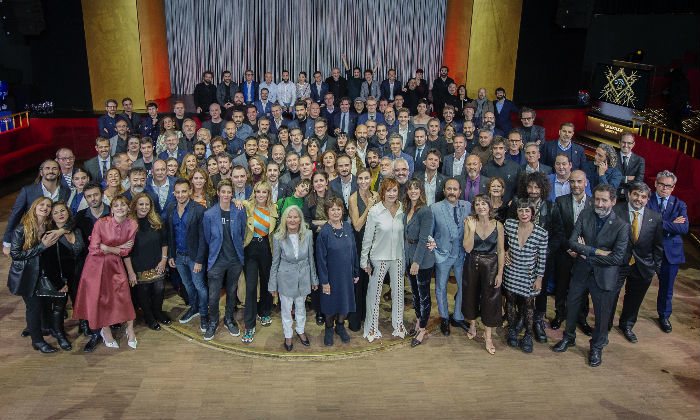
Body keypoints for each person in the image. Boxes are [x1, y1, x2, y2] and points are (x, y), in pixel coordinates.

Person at [552, 184, 629, 367]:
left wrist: (586, 253)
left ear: (613, 201)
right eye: (597, 199)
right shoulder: (585, 215)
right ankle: (568, 337)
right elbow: (572, 242)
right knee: (572, 306)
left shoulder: (622, 226)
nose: (600, 204)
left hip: (604, 277)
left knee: (602, 315)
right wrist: (596, 251)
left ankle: (596, 347)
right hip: (580, 272)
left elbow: (617, 258)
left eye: (604, 200)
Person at [73, 196, 139, 350]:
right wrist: (117, 248)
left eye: (123, 205)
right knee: (101, 299)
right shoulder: (101, 223)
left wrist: (107, 248)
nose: (120, 208)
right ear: (112, 209)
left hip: (115, 264)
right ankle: (105, 330)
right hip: (95, 266)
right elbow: (94, 249)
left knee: (124, 297)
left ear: (128, 208)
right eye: (116, 205)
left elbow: (126, 250)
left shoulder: (133, 225)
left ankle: (130, 329)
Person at [610, 182, 663, 343]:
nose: (639, 199)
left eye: (643, 196)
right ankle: (605, 324)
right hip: (617, 264)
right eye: (636, 195)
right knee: (611, 295)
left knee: (634, 299)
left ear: (647, 199)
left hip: (643, 265)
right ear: (629, 194)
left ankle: (627, 325)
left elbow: (658, 245)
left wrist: (655, 267)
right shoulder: (615, 211)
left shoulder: (655, 217)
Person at [8, 198, 61, 353]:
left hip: (42, 273)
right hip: (26, 276)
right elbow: (16, 254)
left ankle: (43, 328)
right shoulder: (22, 228)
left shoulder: (49, 226)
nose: (45, 207)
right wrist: (42, 247)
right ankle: (37, 341)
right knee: (34, 307)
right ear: (34, 206)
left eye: (48, 206)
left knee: (44, 305)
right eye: (42, 204)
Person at [360, 177, 407, 342]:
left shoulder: (402, 209)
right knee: (374, 293)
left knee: (399, 292)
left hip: (398, 257)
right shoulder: (374, 211)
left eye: (395, 190)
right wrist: (364, 260)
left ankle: (398, 324)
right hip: (379, 257)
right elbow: (367, 238)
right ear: (383, 192)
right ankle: (372, 327)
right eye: (389, 190)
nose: (392, 194)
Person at [202, 180, 247, 341]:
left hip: (235, 260)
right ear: (218, 193)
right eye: (224, 192)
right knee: (213, 296)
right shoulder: (209, 215)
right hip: (216, 261)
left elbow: (242, 233)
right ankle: (213, 321)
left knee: (232, 292)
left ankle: (229, 319)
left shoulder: (239, 211)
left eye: (229, 192)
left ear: (232, 194)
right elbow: (208, 238)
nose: (226, 195)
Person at [269, 205, 318, 351]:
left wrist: (314, 279)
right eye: (289, 217)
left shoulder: (308, 234)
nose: (292, 220)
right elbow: (275, 262)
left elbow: (311, 258)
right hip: (285, 278)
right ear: (285, 219)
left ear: (300, 219)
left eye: (295, 217)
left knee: (301, 307)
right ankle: (288, 334)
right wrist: (272, 285)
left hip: (303, 277)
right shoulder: (278, 237)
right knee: (286, 308)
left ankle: (301, 330)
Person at [550, 170, 593, 333]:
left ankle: (581, 318)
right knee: (561, 286)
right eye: (572, 181)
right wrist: (569, 248)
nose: (575, 185)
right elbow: (557, 229)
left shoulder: (593, 203)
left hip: (585, 255)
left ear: (586, 183)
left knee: (583, 288)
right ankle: (560, 314)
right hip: (564, 252)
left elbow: (596, 231)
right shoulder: (560, 201)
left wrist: (583, 250)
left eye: (579, 181)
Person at [646, 170, 689, 334]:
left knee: (667, 288)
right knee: (638, 286)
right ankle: (629, 318)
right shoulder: (647, 200)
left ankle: (664, 316)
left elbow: (683, 228)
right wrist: (671, 224)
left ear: (673, 188)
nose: (664, 188)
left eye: (668, 186)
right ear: (656, 184)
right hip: (648, 250)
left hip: (671, 253)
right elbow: (645, 223)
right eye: (662, 184)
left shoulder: (680, 204)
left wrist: (659, 223)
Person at [503, 199, 548, 353]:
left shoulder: (541, 233)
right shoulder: (509, 224)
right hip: (511, 271)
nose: (524, 214)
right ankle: (512, 330)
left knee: (529, 306)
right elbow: (499, 241)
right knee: (510, 302)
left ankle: (528, 334)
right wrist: (504, 251)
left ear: (532, 213)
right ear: (516, 212)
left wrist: (539, 278)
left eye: (527, 211)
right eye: (521, 210)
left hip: (529, 275)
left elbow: (542, 257)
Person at [462, 194, 505, 354]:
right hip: (472, 263)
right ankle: (472, 325)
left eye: (484, 204)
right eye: (478, 204)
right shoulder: (469, 222)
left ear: (489, 206)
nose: (481, 207)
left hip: (492, 265)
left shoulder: (498, 225)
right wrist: (472, 230)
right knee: (470, 296)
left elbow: (501, 250)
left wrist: (500, 273)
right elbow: (467, 248)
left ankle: (488, 337)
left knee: (491, 300)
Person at [3, 160, 71, 255]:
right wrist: (7, 242)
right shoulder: (27, 191)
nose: (51, 171)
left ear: (59, 172)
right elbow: (15, 216)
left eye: (54, 168)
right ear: (41, 172)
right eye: (47, 168)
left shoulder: (66, 191)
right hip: (33, 238)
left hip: (57, 237)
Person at [166, 178, 208, 333]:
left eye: (184, 191)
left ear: (190, 191)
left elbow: (203, 238)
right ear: (174, 193)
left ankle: (204, 313)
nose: (181, 195)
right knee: (187, 285)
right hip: (178, 256)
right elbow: (170, 233)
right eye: (177, 192)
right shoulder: (171, 208)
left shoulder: (199, 210)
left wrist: (199, 260)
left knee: (200, 286)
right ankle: (194, 307)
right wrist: (171, 254)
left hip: (194, 257)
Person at [124, 193, 171, 331]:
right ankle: (149, 317)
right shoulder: (129, 224)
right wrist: (131, 272)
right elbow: (126, 252)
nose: (144, 207)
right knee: (143, 293)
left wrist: (163, 260)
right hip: (138, 265)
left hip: (157, 263)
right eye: (141, 204)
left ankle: (158, 312)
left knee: (159, 290)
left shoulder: (157, 221)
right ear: (135, 206)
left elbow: (164, 242)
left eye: (147, 204)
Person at [239, 181, 278, 343]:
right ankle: (249, 325)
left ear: (269, 194)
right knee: (251, 286)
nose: (261, 195)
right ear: (254, 193)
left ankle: (264, 312)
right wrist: (236, 201)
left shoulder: (274, 208)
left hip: (267, 249)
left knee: (267, 282)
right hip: (250, 249)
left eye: (264, 192)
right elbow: (237, 204)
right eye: (258, 192)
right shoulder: (246, 205)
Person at [316, 197, 358, 346]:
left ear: (342, 210)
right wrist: (324, 281)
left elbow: (353, 251)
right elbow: (320, 260)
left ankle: (340, 326)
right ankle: (329, 328)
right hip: (331, 277)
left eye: (338, 209)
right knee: (329, 305)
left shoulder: (347, 227)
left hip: (346, 275)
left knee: (344, 303)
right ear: (327, 212)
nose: (335, 212)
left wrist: (355, 272)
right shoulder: (324, 233)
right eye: (332, 209)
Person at [46, 201, 85, 347]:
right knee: (59, 308)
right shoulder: (50, 234)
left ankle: (83, 323)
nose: (60, 214)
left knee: (79, 301)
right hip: (61, 278)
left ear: (68, 212)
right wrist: (58, 283)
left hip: (78, 275)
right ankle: (60, 335)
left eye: (62, 211)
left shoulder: (77, 229)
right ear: (51, 217)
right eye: (55, 213)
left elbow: (84, 253)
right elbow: (48, 263)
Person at [403, 180, 434, 347]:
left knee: (423, 296)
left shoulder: (425, 211)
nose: (413, 191)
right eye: (410, 188)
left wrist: (416, 262)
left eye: (416, 188)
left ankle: (423, 329)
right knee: (415, 294)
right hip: (409, 255)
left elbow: (424, 239)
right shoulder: (407, 209)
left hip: (422, 260)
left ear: (421, 191)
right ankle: (418, 321)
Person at [616, 133, 645, 199]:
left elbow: (638, 181)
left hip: (630, 196)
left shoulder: (640, 160)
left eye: (629, 143)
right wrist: (627, 178)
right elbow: (610, 177)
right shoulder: (612, 157)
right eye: (624, 142)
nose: (626, 145)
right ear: (619, 142)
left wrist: (624, 191)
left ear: (633, 144)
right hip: (613, 194)